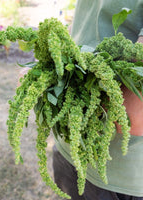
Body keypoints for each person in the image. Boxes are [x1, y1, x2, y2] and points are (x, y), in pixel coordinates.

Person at [52, 0, 143, 199]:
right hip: (68, 149)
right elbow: (83, 27)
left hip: (117, 176)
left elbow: (132, 117)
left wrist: (50, 88)